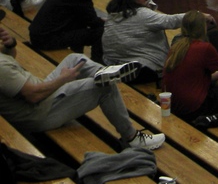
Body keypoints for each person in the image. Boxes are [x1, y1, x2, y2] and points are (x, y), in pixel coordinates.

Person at [0, 24, 165, 150]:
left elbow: (11, 64)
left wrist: (10, 46)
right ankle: (132, 137)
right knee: (104, 86)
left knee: (76, 58)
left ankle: (108, 73)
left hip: (39, 96)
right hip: (39, 112)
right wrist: (64, 79)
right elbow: (33, 96)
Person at [102, 0, 214, 84]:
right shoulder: (142, 14)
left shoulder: (113, 15)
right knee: (180, 40)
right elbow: (170, 21)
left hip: (113, 61)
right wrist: (198, 15)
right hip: (145, 66)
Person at [29, 0, 106, 58]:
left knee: (79, 21)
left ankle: (77, 55)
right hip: (47, 40)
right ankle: (96, 63)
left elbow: (85, 16)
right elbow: (92, 21)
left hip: (37, 35)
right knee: (100, 31)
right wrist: (106, 23)